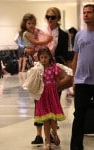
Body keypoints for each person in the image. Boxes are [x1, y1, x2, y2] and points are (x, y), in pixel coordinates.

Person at [31, 7, 69, 145]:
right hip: (40, 71)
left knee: (53, 106)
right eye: (48, 17)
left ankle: (53, 133)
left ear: (58, 18)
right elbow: (32, 46)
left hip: (54, 73)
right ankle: (39, 135)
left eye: (53, 17)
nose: (50, 19)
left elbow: (65, 54)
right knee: (38, 105)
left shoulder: (64, 35)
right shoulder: (40, 32)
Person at [70, 4, 94, 150]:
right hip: (82, 82)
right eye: (84, 12)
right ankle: (76, 147)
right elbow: (75, 58)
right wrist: (74, 79)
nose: (86, 14)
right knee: (79, 116)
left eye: (89, 12)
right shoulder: (79, 35)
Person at [34, 47, 67, 150]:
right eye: (41, 57)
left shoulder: (54, 68)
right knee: (45, 120)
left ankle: (55, 133)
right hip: (42, 96)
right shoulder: (38, 69)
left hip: (52, 95)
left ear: (50, 57)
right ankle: (47, 142)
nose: (44, 59)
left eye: (46, 57)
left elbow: (58, 82)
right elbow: (34, 82)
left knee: (53, 119)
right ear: (39, 58)